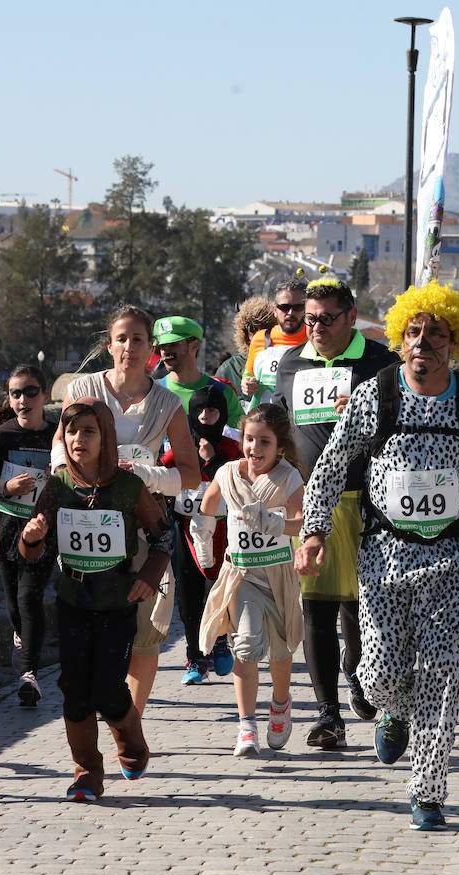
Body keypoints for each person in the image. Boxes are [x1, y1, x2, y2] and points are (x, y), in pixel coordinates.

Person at [298, 282, 459, 830]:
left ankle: (429, 792)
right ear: (400, 339)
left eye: (435, 335)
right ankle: (392, 709)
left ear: (453, 342)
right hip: (384, 558)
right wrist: (315, 531)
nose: (423, 343)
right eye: (413, 333)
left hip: (451, 557)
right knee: (379, 675)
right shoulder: (377, 394)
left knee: (442, 676)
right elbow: (331, 463)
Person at [18, 399, 170, 801]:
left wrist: (149, 577)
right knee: (74, 689)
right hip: (73, 599)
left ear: (106, 436)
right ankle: (86, 771)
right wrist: (30, 538)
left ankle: (132, 743)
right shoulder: (57, 486)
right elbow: (30, 548)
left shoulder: (128, 487)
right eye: (70, 431)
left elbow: (165, 537)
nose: (78, 439)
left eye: (88, 431)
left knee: (107, 688)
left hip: (117, 601)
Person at [274, 274, 399, 748]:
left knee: (364, 608)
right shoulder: (291, 363)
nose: (316, 328)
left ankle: (362, 674)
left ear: (351, 318)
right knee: (317, 609)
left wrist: (372, 411)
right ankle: (328, 715)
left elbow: (406, 426)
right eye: (309, 320)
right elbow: (280, 424)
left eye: (327, 320)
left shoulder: (381, 363)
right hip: (313, 502)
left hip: (370, 500)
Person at [61, 307, 199, 715]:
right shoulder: (84, 389)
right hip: (86, 528)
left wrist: (142, 474)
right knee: (90, 633)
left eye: (138, 339)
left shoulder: (168, 403)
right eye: (121, 339)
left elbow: (190, 475)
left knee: (144, 634)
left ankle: (130, 722)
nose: (129, 347)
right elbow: (57, 451)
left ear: (151, 348)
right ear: (109, 346)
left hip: (144, 530)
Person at [198, 404, 305, 756]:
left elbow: (302, 522)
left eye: (264, 442)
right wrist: (205, 544)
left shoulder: (288, 478)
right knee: (244, 644)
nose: (254, 448)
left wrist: (274, 524)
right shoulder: (228, 474)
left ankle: (280, 704)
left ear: (280, 447)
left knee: (280, 649)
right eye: (249, 439)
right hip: (243, 575)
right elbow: (207, 506)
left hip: (277, 575)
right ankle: (246, 726)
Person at [0, 366, 57, 707]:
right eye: (16, 394)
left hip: (43, 530)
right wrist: (5, 486)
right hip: (6, 530)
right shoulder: (2, 437)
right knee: (13, 602)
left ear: (45, 395)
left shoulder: (57, 435)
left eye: (31, 392)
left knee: (30, 597)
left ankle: (29, 674)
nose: (23, 400)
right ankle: (21, 639)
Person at [170, 385, 240, 685]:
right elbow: (164, 475)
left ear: (222, 413)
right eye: (199, 410)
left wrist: (212, 461)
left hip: (223, 531)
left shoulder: (233, 447)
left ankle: (221, 641)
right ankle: (195, 657)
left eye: (212, 410)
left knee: (221, 589)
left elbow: (241, 478)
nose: (205, 416)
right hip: (188, 531)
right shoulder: (181, 447)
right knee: (189, 596)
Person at [153, 314, 244, 432]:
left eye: (172, 344)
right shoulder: (153, 394)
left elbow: (242, 440)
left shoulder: (223, 392)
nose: (165, 352)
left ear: (194, 345)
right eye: (162, 346)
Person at [241, 273, 310, 407]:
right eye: (284, 307)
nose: (290, 313)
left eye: (297, 307)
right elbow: (248, 374)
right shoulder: (260, 338)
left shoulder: (314, 339)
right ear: (275, 310)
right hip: (267, 419)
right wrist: (248, 385)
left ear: (306, 309)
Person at [218, 297, 277, 414]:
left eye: (266, 329)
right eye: (253, 328)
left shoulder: (285, 361)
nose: (259, 334)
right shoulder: (229, 369)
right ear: (245, 333)